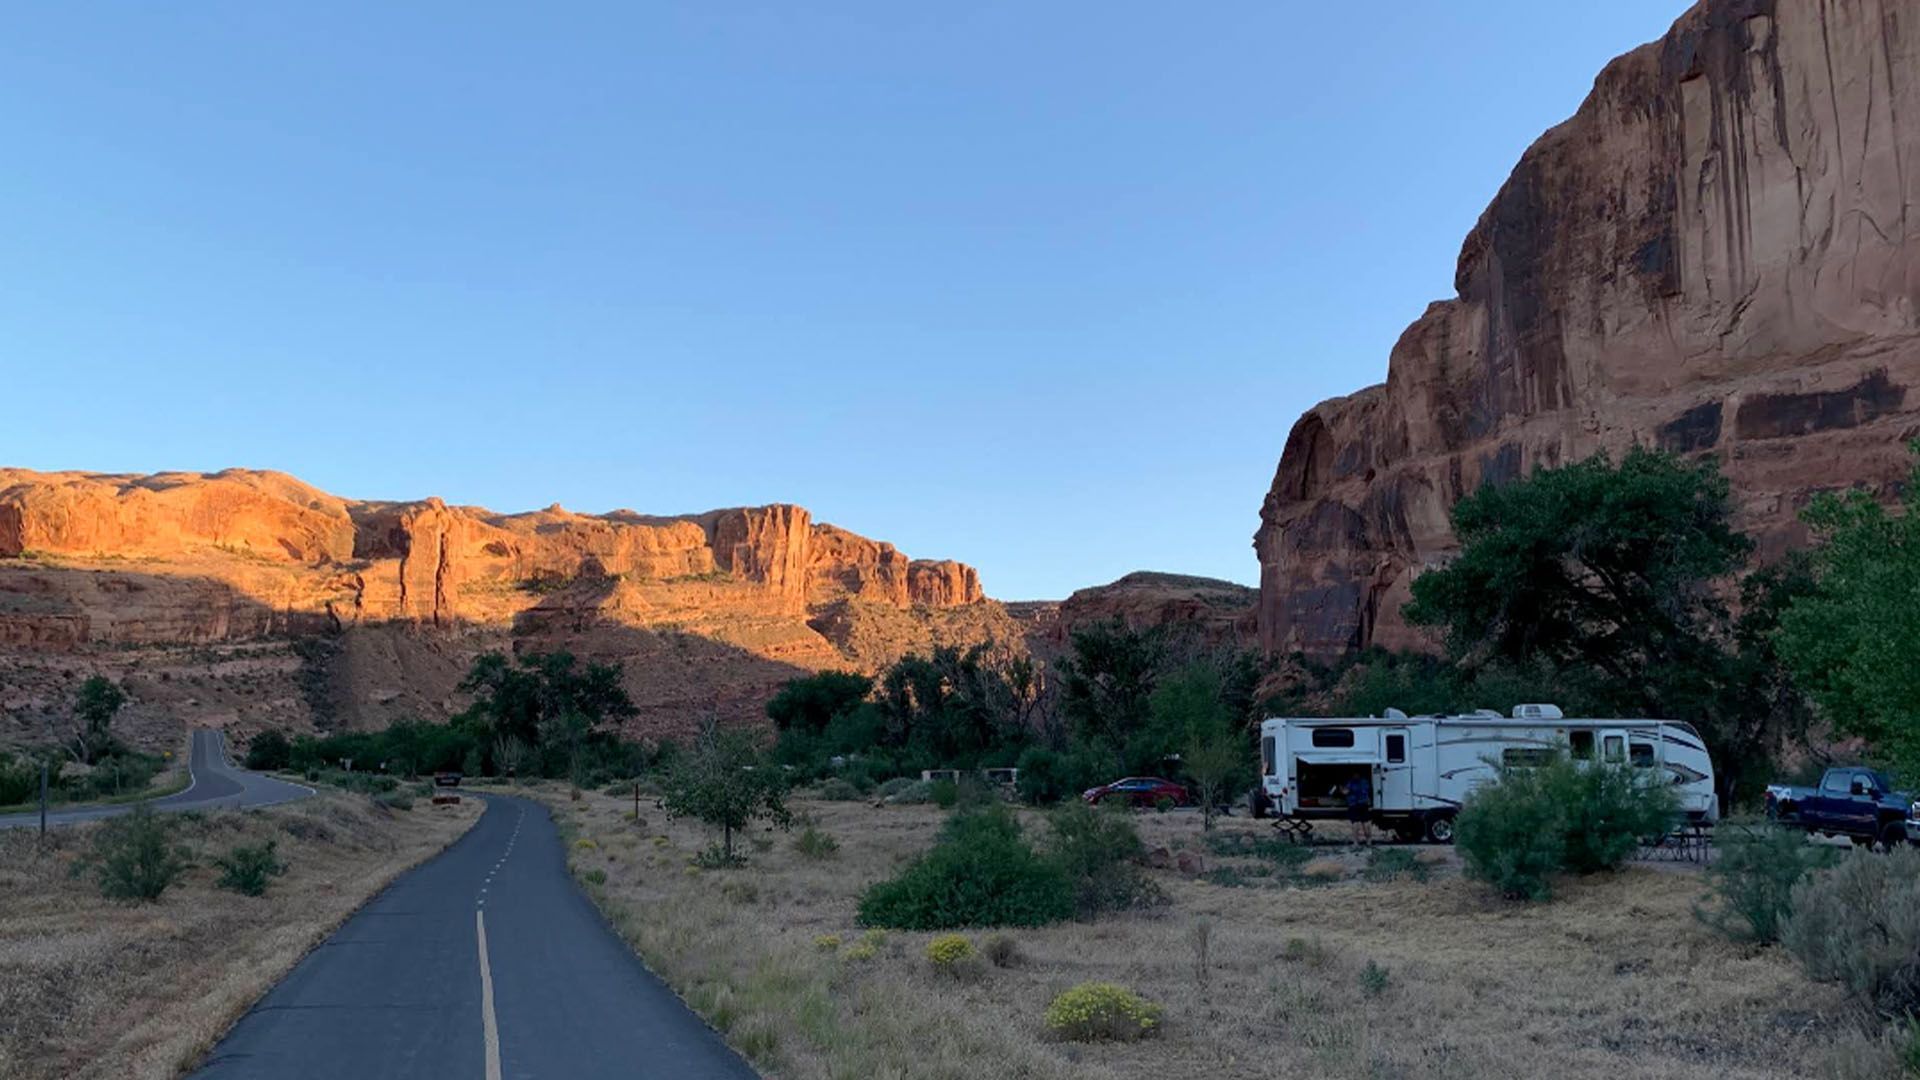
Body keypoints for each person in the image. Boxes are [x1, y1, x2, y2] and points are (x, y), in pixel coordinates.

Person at [1344, 772, 1373, 848]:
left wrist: (1341, 789)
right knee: (1366, 822)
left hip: (1354, 804)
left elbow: (1345, 792)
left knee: (1355, 823)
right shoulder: (1365, 781)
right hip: (1364, 803)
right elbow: (1368, 790)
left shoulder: (1351, 782)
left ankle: (1356, 842)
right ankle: (1369, 841)